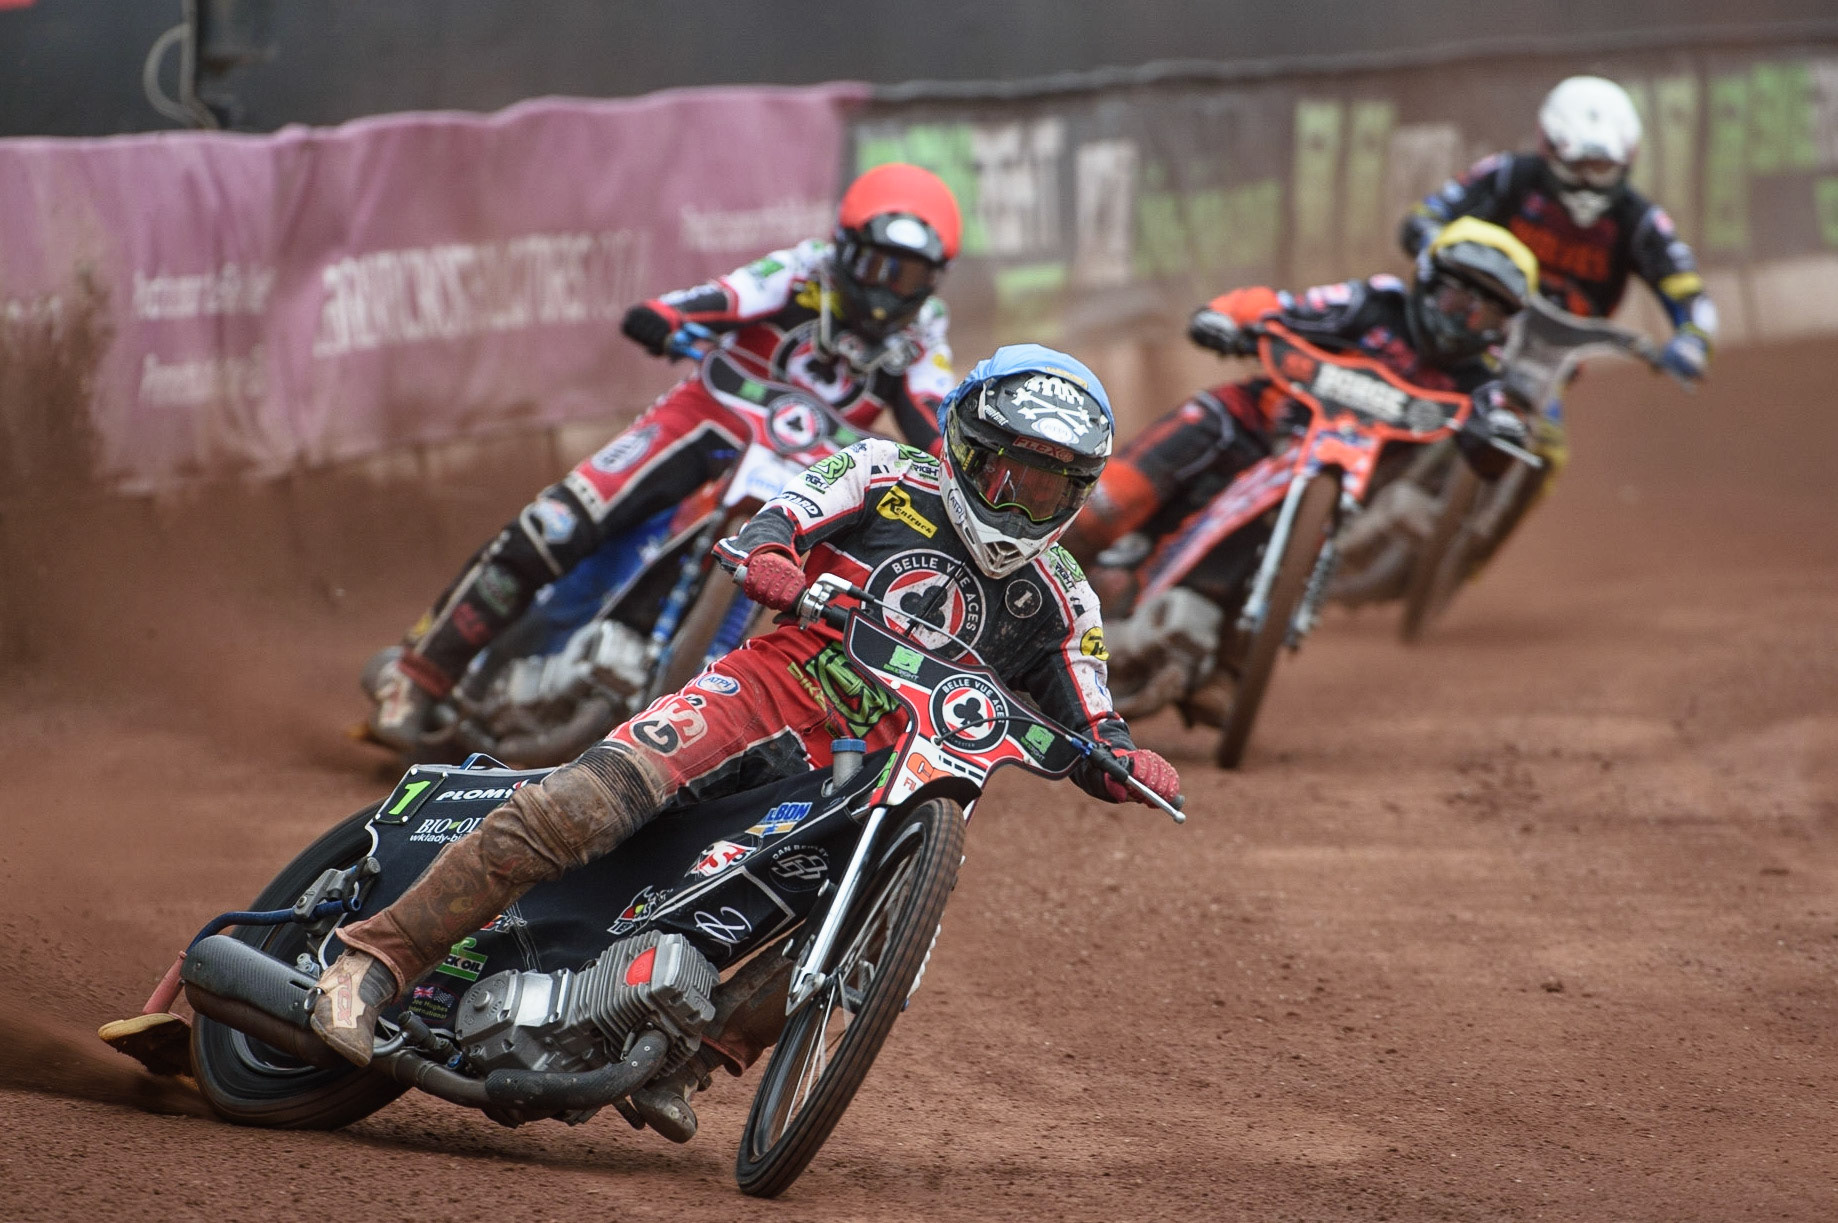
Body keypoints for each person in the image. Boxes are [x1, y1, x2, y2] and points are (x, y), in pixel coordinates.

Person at [310, 344, 1182, 1134]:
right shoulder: (884, 471)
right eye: (1013, 478)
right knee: (585, 804)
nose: (1026, 504)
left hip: (872, 777)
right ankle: (371, 961)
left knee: (866, 935)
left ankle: (686, 1058)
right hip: (764, 692)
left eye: (1054, 488)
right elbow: (781, 516)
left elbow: (1091, 716)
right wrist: (773, 556)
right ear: (965, 448)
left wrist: (1126, 759)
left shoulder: (1065, 595)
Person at [368, 162, 965, 752]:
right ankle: (419, 675)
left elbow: (932, 406)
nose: (888, 289)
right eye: (876, 266)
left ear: (934, 281)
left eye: (909, 276)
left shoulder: (924, 332)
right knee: (559, 524)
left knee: (827, 595)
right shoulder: (801, 270)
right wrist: (668, 316)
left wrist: (960, 458)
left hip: (812, 461)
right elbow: (725, 295)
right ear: (844, 247)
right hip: (711, 413)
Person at [1065, 217, 1538, 567]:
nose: (1466, 322)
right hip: (1245, 424)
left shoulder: (1477, 380)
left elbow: (1492, 443)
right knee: (1102, 511)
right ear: (1431, 283)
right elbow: (1281, 308)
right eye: (1460, 301)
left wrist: (1503, 432)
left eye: (1488, 316)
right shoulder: (1373, 304)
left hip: (1326, 489)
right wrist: (1229, 316)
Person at [1399, 75, 1717, 474]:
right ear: (1548, 147)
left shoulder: (1640, 222)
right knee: (1395, 369)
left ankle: (1479, 529)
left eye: (1601, 168)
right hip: (1466, 324)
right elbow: (1426, 216)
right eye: (1577, 166)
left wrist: (1692, 341)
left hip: (1546, 361)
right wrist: (1432, 241)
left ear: (1628, 159)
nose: (1587, 182)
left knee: (1547, 452)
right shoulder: (1508, 176)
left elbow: (1691, 295)